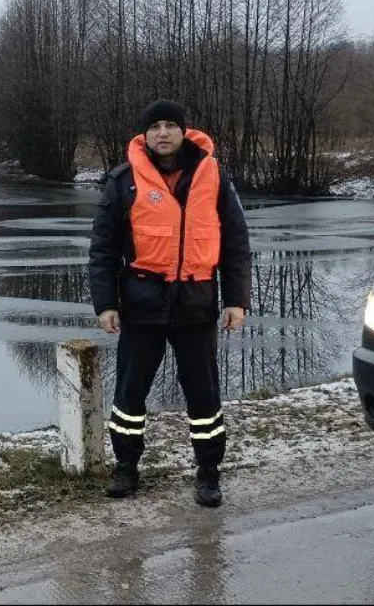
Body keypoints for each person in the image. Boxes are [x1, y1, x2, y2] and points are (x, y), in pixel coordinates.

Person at [87, 98, 252, 508]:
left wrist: (236, 300)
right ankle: (126, 467)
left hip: (196, 302)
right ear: (145, 135)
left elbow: (236, 243)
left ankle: (208, 472)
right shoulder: (124, 180)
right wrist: (106, 304)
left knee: (204, 396)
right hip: (142, 302)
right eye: (154, 127)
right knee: (130, 393)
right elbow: (103, 248)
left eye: (170, 126)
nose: (162, 133)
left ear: (183, 131)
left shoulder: (214, 177)